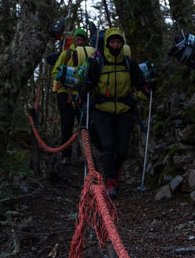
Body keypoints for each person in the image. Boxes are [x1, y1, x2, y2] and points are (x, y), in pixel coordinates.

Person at [83, 27, 152, 198]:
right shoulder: (98, 63)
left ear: (122, 44)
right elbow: (89, 84)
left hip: (124, 110)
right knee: (108, 145)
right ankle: (110, 181)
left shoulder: (129, 64)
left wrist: (148, 89)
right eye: (113, 42)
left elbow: (140, 85)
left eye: (118, 42)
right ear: (107, 44)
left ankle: (114, 171)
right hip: (102, 110)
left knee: (122, 149)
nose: (115, 44)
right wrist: (83, 92)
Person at [52, 28, 90, 164]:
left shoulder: (87, 55)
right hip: (65, 93)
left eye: (82, 40)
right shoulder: (66, 54)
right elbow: (55, 71)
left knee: (83, 125)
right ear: (74, 40)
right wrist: (64, 78)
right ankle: (65, 155)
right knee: (66, 124)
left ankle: (83, 155)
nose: (80, 42)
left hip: (81, 94)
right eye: (78, 39)